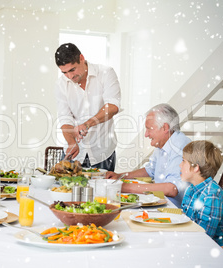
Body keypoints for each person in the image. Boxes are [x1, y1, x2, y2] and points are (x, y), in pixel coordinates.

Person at [106, 103, 191, 207]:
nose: (146, 134)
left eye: (149, 129)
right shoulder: (163, 144)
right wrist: (120, 176)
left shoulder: (180, 147)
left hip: (176, 210)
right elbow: (150, 170)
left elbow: (172, 189)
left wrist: (124, 187)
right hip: (162, 203)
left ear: (165, 128)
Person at [54, 43, 121, 171]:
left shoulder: (105, 73)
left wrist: (87, 124)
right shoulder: (60, 85)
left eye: (72, 70)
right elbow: (65, 118)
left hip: (103, 153)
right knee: (64, 190)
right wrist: (71, 142)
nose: (70, 76)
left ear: (81, 58)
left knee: (103, 191)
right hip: (75, 154)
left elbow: (112, 107)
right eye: (65, 72)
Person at [180, 140, 223, 246]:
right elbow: (183, 219)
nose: (180, 165)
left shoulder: (212, 195)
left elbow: (203, 238)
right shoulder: (191, 189)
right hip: (191, 241)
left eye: (183, 161)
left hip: (211, 250)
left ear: (196, 167)